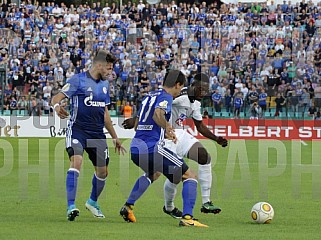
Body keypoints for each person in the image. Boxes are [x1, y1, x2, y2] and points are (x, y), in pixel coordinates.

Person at [122, 73, 228, 220]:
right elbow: (157, 113)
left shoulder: (191, 102)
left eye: (206, 90)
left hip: (158, 140)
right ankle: (181, 214)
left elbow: (200, 126)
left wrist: (216, 139)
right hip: (163, 140)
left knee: (202, 157)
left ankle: (206, 202)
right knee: (181, 175)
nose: (204, 93)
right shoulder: (172, 96)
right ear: (188, 85)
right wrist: (166, 127)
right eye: (201, 89)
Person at [51, 50, 126, 221]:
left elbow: (105, 112)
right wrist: (56, 108)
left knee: (103, 172)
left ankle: (92, 202)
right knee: (76, 160)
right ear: (98, 65)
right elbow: (56, 98)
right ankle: (71, 206)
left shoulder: (105, 85)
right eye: (108, 67)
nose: (110, 71)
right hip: (78, 130)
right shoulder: (78, 80)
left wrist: (115, 136)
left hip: (97, 134)